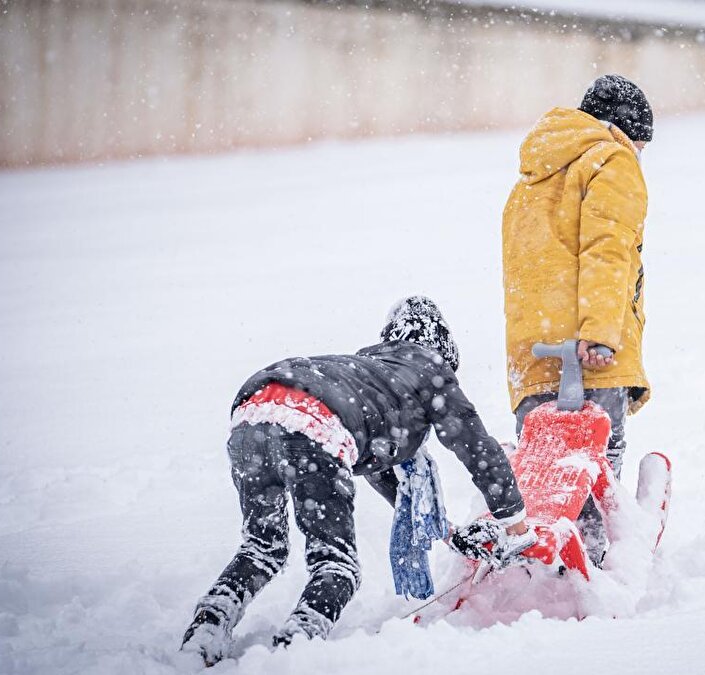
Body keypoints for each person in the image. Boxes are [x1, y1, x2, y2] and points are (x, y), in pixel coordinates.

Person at [180, 296, 533, 665]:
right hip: (313, 421)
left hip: (253, 411)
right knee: (337, 566)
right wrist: (515, 523)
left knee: (262, 548)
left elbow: (389, 483)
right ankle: (295, 647)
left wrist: (449, 533)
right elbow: (478, 449)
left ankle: (208, 626)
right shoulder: (430, 371)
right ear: (443, 348)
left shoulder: (368, 375)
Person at [501, 74, 653, 561]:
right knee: (596, 463)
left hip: (531, 352)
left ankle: (546, 561)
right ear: (626, 131)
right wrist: (601, 333)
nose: (641, 155)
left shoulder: (533, 173)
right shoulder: (613, 158)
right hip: (589, 348)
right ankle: (600, 562)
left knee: (547, 473)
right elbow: (608, 252)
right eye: (642, 144)